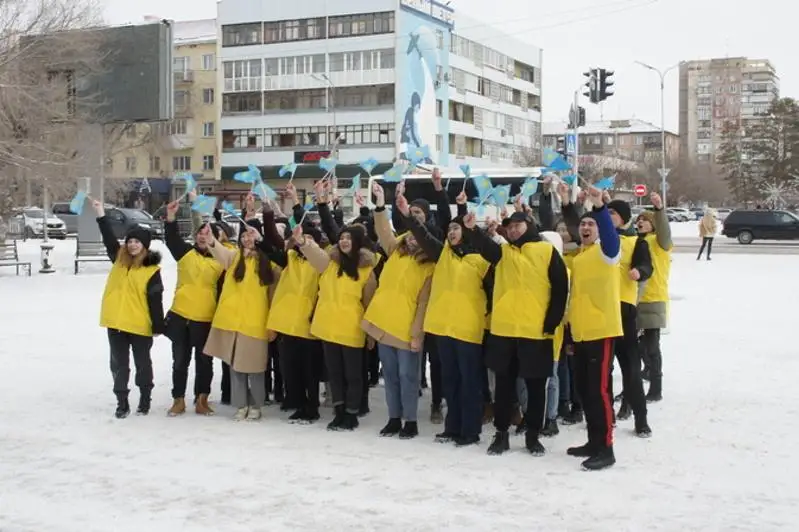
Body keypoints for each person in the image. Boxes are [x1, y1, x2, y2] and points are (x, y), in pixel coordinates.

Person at [464, 210, 569, 456]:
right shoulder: (503, 253)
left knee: (536, 388)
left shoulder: (546, 251)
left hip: (536, 333)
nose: (512, 231)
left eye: (517, 226)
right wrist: (472, 230)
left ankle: (533, 435)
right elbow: (484, 246)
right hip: (504, 331)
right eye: (509, 227)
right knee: (503, 387)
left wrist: (550, 324)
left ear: (529, 225)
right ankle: (501, 434)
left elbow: (561, 289)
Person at [403, 200, 491, 447]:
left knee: (469, 382)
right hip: (442, 328)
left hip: (468, 330)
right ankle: (452, 427)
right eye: (450, 228)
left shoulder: (481, 261)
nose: (452, 232)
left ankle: (470, 429)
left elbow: (492, 294)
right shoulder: (442, 255)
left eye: (457, 228)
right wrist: (405, 215)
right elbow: (422, 234)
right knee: (449, 380)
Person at [363, 184, 434, 439]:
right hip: (383, 323)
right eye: (411, 234)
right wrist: (382, 204)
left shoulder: (428, 265)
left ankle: (411, 421)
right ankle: (394, 417)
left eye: (418, 235)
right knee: (390, 375)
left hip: (406, 330)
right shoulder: (397, 250)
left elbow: (424, 304)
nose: (413, 239)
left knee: (408, 377)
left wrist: (417, 334)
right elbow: (383, 231)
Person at [295, 223, 378, 431]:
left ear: (357, 242)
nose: (344, 241)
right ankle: (339, 411)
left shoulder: (367, 271)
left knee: (353, 375)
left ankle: (351, 413)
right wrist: (302, 241)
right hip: (328, 327)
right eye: (341, 237)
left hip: (351, 329)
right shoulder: (329, 264)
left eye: (349, 238)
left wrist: (371, 334)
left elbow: (369, 303)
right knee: (334, 374)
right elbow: (314, 253)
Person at [566, 186, 621, 471]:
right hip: (581, 332)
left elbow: (611, 239)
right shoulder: (580, 256)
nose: (586, 227)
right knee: (585, 391)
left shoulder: (606, 253)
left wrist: (599, 208)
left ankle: (607, 448)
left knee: (600, 392)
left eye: (591, 224)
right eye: (583, 224)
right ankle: (592, 441)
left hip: (601, 331)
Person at [93, 199, 164, 419]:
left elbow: (156, 300)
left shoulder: (151, 269)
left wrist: (157, 325)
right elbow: (108, 237)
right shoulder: (118, 260)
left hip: (139, 323)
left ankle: (145, 399)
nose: (133, 245)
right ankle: (122, 402)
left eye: (137, 242)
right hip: (116, 322)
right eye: (130, 241)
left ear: (145, 245)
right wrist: (100, 213)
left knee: (143, 364)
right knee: (119, 365)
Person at [204, 221, 278, 421]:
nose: (247, 239)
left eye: (251, 234)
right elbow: (219, 252)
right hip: (232, 321)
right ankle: (241, 404)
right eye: (244, 235)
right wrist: (210, 239)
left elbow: (273, 296)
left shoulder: (268, 262)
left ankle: (256, 404)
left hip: (256, 322)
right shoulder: (234, 257)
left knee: (255, 367)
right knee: (235, 367)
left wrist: (272, 325)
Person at [264, 185, 325, 424]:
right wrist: (272, 210)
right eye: (301, 239)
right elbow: (272, 243)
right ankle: (298, 403)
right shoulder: (290, 258)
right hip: (288, 323)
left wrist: (298, 203)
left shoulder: (320, 261)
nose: (303, 242)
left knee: (309, 371)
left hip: (308, 324)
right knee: (290, 369)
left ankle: (312, 406)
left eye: (309, 239)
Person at [163, 200, 225, 416]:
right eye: (200, 233)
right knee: (180, 362)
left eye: (207, 234)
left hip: (205, 319)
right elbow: (171, 239)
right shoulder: (186, 253)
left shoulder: (220, 262)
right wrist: (171, 217)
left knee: (204, 362)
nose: (202, 236)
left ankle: (202, 399)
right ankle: (178, 399)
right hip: (181, 316)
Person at [606, 197, 653, 437]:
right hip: (601, 311)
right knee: (603, 370)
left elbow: (647, 266)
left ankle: (641, 419)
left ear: (623, 217)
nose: (609, 215)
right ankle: (607, 416)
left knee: (631, 370)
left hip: (624, 311)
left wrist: (639, 271)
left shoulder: (637, 242)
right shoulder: (601, 240)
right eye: (608, 211)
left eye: (613, 212)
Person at [635, 192, 672, 402]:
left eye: (645, 220)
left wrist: (659, 210)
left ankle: (656, 387)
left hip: (653, 298)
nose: (640, 223)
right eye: (638, 220)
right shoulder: (636, 242)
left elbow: (665, 233)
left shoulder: (659, 243)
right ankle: (644, 373)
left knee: (651, 346)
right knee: (635, 346)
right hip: (635, 298)